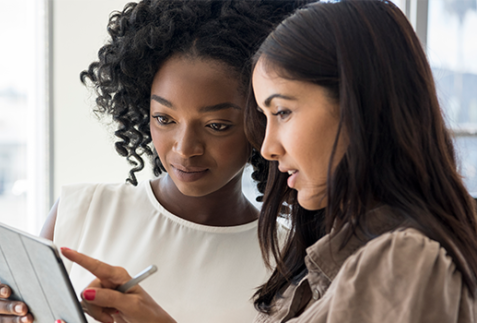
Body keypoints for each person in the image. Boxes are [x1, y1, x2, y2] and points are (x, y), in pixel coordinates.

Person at [60, 0, 477, 322]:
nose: (268, 147)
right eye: (164, 118)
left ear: (360, 107)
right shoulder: (342, 252)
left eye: (281, 112)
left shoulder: (402, 259)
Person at [0, 1, 312, 322]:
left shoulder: (288, 261)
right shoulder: (83, 211)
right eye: (165, 119)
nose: (184, 149)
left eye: (216, 126)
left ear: (261, 121)